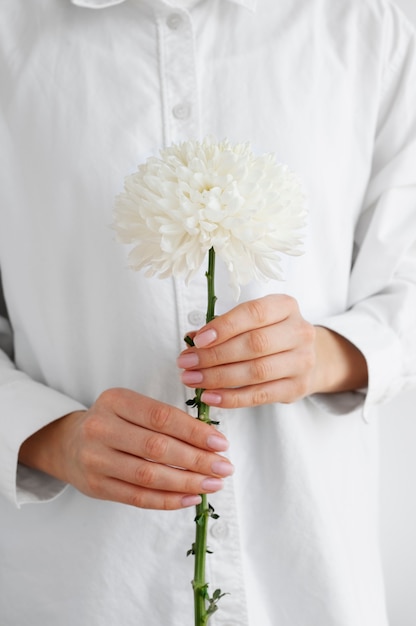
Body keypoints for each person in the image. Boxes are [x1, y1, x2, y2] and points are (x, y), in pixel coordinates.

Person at [0, 0, 415, 624]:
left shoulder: (369, 26)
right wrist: (50, 438)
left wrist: (326, 353)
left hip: (307, 581)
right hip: (83, 586)